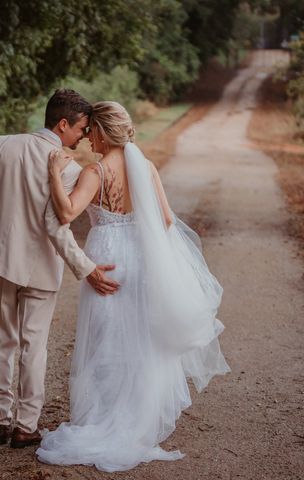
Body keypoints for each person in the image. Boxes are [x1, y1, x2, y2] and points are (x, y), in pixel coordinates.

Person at [36, 101, 230, 471]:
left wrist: (52, 173)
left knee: (106, 338)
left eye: (92, 129)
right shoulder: (148, 168)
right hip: (139, 258)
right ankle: (136, 419)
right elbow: (167, 220)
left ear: (104, 132)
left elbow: (65, 213)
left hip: (107, 256)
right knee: (138, 337)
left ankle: (105, 418)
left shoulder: (96, 171)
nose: (88, 135)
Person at [0, 90, 120, 449]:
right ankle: (26, 426)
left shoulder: (3, 145)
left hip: (1, 261)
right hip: (40, 268)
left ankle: (0, 422)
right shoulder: (66, 167)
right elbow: (57, 227)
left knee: (2, 341)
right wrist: (86, 268)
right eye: (82, 128)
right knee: (33, 347)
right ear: (63, 124)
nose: (84, 136)